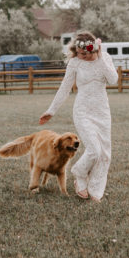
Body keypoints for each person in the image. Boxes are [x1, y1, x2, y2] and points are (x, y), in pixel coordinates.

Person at [39, 31, 118, 201]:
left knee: (105, 154)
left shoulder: (104, 58)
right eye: (79, 53)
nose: (81, 56)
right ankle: (80, 174)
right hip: (82, 111)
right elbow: (65, 88)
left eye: (85, 54)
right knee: (94, 150)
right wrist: (51, 110)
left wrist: (101, 56)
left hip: (102, 112)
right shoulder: (75, 63)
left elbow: (113, 80)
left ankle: (95, 189)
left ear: (93, 49)